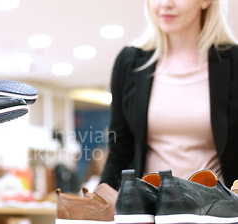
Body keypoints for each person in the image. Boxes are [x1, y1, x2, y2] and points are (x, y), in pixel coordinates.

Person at [100, 0, 238, 190]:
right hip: (150, 210)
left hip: (216, 211)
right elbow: (119, 153)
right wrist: (101, 201)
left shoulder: (235, 62)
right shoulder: (129, 62)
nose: (165, 4)